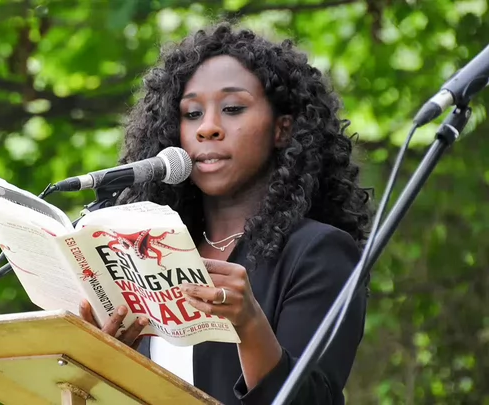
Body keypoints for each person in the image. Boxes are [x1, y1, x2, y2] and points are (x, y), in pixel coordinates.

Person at [78, 21, 372, 404]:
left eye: (232, 109)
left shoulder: (320, 253)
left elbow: (312, 398)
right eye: (192, 113)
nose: (209, 128)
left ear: (282, 130)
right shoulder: (147, 256)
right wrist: (105, 356)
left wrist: (250, 326)